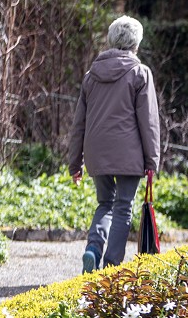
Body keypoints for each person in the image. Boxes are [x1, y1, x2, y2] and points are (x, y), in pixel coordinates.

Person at [67, 15, 161, 273]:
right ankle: (111, 267)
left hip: (96, 153)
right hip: (128, 154)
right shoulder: (140, 73)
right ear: (136, 43)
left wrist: (75, 162)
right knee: (123, 207)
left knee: (104, 204)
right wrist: (152, 161)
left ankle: (93, 248)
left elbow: (79, 123)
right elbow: (149, 122)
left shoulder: (91, 76)